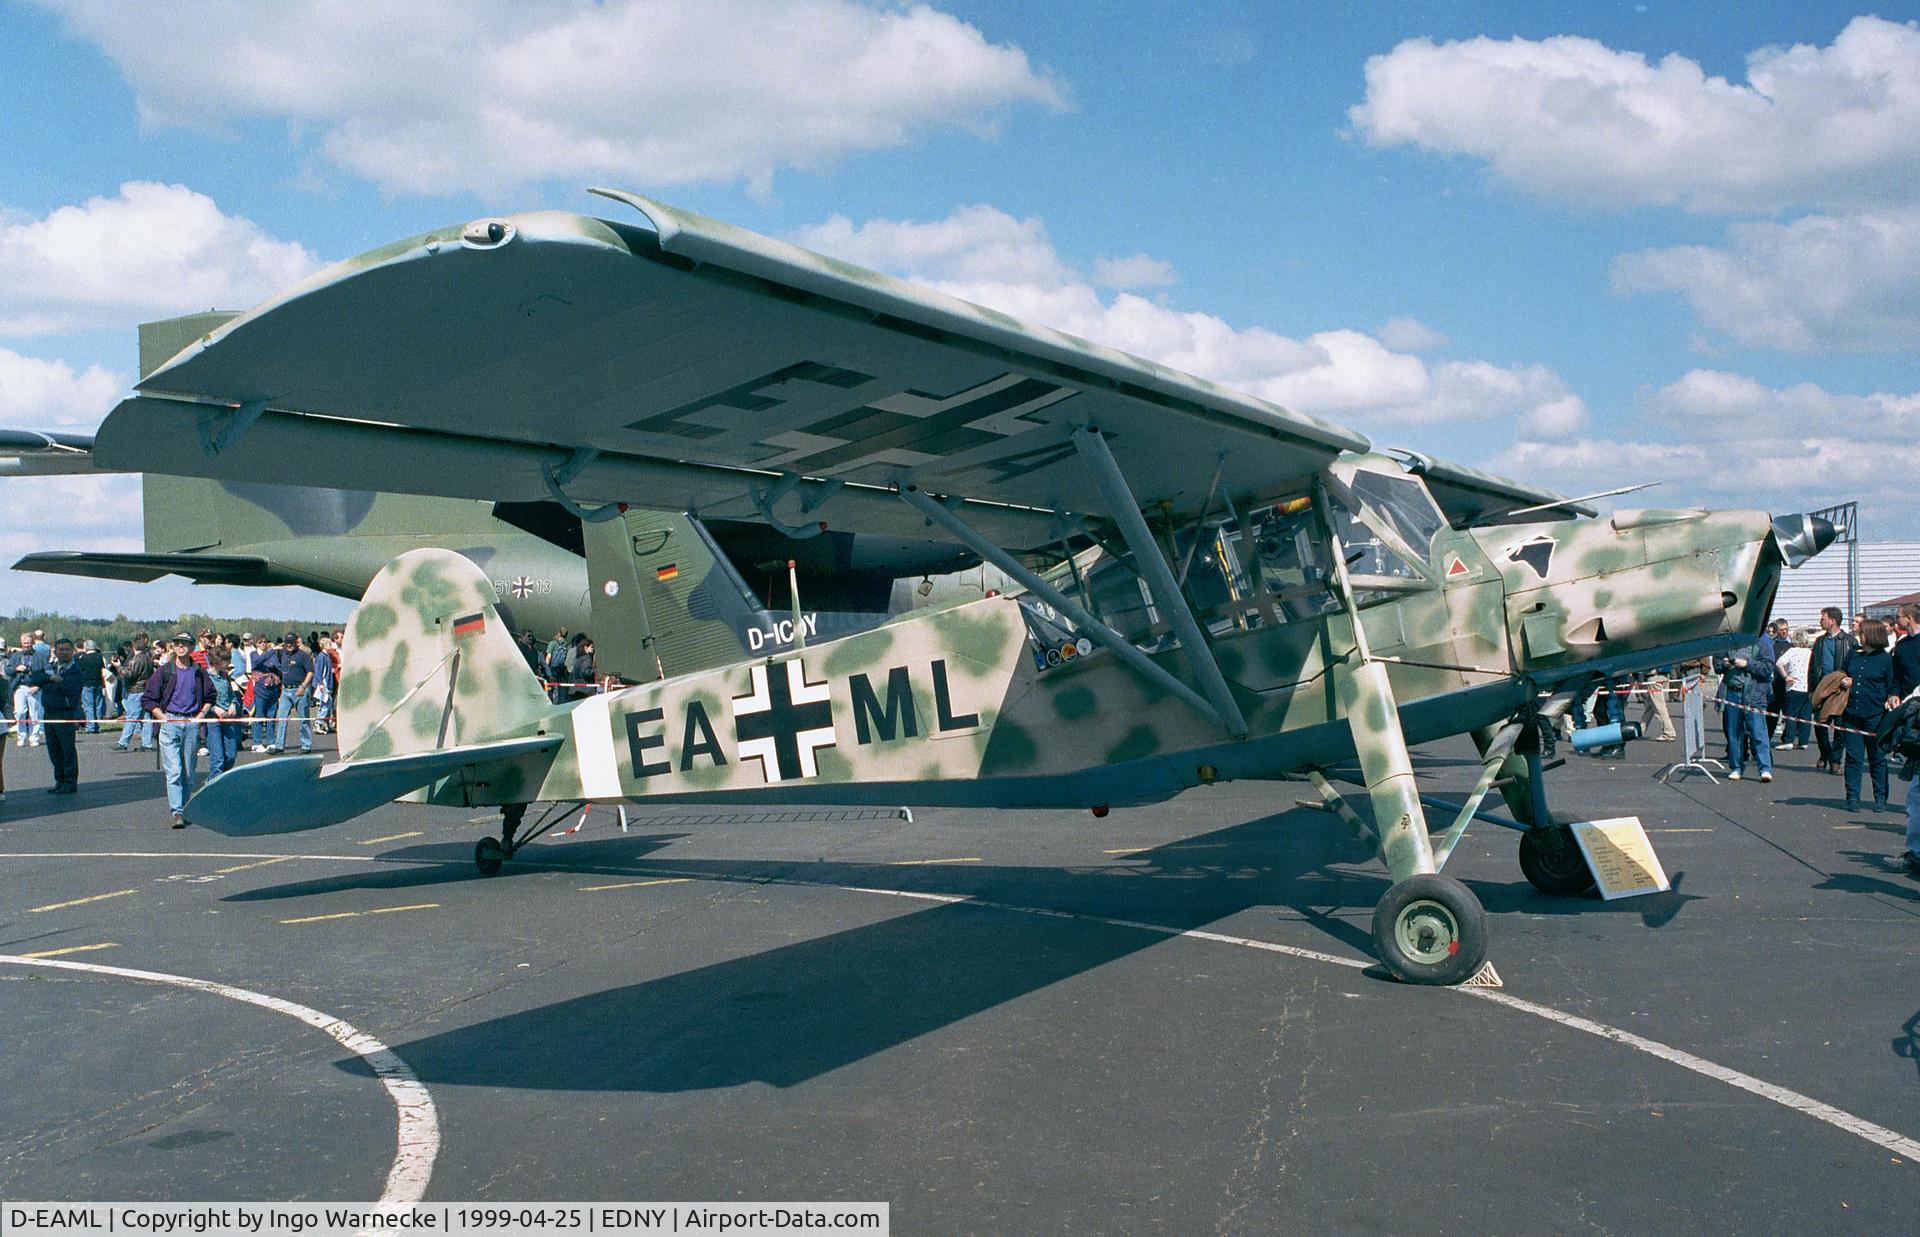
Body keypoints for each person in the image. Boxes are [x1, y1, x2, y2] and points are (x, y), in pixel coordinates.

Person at [142, 633, 216, 828]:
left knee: (188, 772)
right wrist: (162, 717)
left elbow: (210, 696)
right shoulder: (165, 671)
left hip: (191, 723)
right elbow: (148, 698)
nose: (180, 647)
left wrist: (200, 716)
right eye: (177, 644)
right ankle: (178, 811)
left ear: (192, 647)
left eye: (185, 644)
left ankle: (186, 805)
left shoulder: (199, 671)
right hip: (170, 723)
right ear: (173, 648)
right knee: (174, 771)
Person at [1839, 618, 1895, 813]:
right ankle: (1852, 797)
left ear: (1871, 635)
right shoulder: (1854, 654)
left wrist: (1892, 698)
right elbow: (1842, 673)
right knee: (1853, 758)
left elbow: (1891, 685)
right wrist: (1844, 681)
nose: (1858, 636)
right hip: (1851, 713)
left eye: (1862, 633)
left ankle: (1880, 797)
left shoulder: (1886, 659)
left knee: (1877, 758)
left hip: (1875, 715)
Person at [28, 637, 85, 793]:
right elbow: (35, 677)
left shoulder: (75, 670)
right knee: (54, 750)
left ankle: (70, 782)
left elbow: (67, 688)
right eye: (61, 649)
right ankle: (59, 780)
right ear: (56, 651)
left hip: (65, 713)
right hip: (49, 712)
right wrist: (50, 679)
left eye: (67, 649)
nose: (64, 652)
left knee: (67, 749)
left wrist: (47, 686)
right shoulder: (50, 667)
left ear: (72, 651)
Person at [1718, 637, 1776, 781]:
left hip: (1754, 692)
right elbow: (1717, 664)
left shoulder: (1762, 640)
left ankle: (1765, 768)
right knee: (1734, 733)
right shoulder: (1728, 639)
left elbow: (1768, 668)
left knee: (1758, 731)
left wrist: (1747, 664)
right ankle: (1736, 767)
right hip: (1732, 691)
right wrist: (1724, 664)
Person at [1809, 607, 1854, 774]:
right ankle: (1825, 753)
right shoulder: (1819, 642)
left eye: (1823, 618)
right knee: (1820, 726)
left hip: (1841, 690)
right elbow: (1812, 667)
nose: (1821, 621)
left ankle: (1835, 761)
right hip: (1822, 689)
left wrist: (1850, 682)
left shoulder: (1849, 641)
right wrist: (1811, 690)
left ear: (1833, 621)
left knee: (1840, 728)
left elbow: (1854, 665)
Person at [204, 646, 244, 779]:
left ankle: (220, 778)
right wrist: (215, 709)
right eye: (226, 661)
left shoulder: (225, 676)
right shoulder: (206, 677)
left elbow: (232, 695)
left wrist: (233, 704)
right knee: (218, 758)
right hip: (213, 720)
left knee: (231, 755)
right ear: (217, 661)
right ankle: (214, 781)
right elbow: (201, 700)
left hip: (228, 719)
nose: (228, 664)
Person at [272, 631, 314, 755]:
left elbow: (310, 672)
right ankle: (279, 745)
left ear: (296, 642)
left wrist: (303, 686)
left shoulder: (303, 655)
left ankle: (306, 745)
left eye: (291, 642)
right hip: (285, 691)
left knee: (303, 719)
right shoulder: (283, 654)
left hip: (299, 690)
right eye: (287, 642)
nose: (289, 645)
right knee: (281, 718)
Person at [115, 633, 155, 751]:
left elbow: (129, 675)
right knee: (146, 717)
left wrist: (118, 667)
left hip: (135, 690)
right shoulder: (147, 658)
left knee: (132, 717)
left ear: (133, 645)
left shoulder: (137, 659)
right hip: (145, 689)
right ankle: (147, 744)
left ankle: (123, 743)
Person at [1777, 630, 1813, 750]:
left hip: (1794, 686)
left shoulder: (1792, 651)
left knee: (1791, 714)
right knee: (1805, 716)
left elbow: (1779, 663)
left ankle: (1788, 740)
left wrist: (1786, 676)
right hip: (1807, 687)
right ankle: (1803, 741)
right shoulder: (1810, 652)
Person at [9, 633, 43, 748]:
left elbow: (46, 672)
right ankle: (21, 736)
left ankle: (34, 737)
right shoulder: (15, 656)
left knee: (35, 714)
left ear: (32, 642)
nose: (27, 645)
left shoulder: (39, 656)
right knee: (20, 712)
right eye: (25, 643)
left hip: (35, 687)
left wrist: (38, 686)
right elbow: (8, 670)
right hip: (20, 687)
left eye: (28, 643)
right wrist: (16, 668)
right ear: (21, 643)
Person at [249, 633, 282, 752]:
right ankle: (257, 742)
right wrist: (270, 652)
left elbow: (276, 665)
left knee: (271, 716)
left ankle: (271, 742)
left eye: (265, 642)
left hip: (273, 689)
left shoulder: (271, 654)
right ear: (256, 644)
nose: (263, 644)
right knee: (259, 715)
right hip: (260, 689)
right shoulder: (253, 654)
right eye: (260, 642)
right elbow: (257, 663)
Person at [73, 639, 106, 733]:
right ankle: (97, 725)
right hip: (99, 683)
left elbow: (79, 669)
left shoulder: (83, 658)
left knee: (89, 706)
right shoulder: (99, 657)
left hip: (87, 684)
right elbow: (102, 668)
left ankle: (90, 726)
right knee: (98, 706)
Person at [1640, 666, 1678, 742]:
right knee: (1651, 706)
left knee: (1659, 706)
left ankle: (1669, 732)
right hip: (1663, 676)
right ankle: (1640, 730)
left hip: (1654, 677)